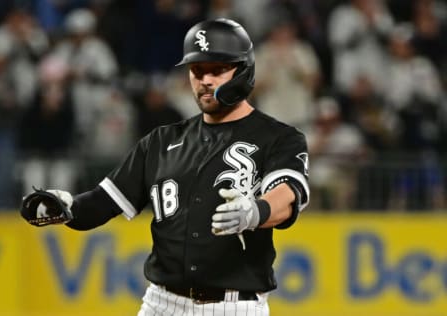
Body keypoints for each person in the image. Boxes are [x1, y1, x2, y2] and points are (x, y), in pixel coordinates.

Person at [21, 18, 310, 315]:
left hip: (233, 306)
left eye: (217, 69)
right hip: (161, 303)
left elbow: (287, 195)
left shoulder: (279, 138)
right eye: (197, 70)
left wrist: (255, 212)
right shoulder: (161, 141)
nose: (205, 80)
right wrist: (67, 207)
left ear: (243, 70)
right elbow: (104, 202)